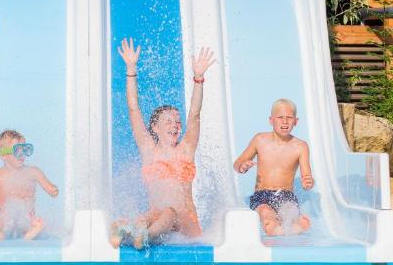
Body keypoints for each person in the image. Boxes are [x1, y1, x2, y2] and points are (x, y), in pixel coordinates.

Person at [112, 38, 215, 249]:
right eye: (168, 121)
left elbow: (194, 114)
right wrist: (131, 69)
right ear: (155, 128)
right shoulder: (148, 149)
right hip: (158, 217)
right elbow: (133, 108)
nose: (175, 125)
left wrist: (198, 78)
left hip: (186, 225)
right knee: (150, 214)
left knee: (168, 211)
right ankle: (131, 230)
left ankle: (143, 236)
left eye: (177, 121)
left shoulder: (186, 149)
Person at [233, 98, 314, 236]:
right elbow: (237, 164)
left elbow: (307, 176)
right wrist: (243, 167)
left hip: (286, 195)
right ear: (271, 120)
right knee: (266, 214)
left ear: (296, 121)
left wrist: (308, 183)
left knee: (290, 212)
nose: (285, 121)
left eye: (289, 118)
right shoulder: (260, 140)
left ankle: (293, 225)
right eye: (280, 117)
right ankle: (282, 227)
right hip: (262, 195)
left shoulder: (300, 146)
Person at [0, 129, 59, 240]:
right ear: (3, 155)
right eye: (17, 150)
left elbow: (50, 189)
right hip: (6, 221)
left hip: (27, 221)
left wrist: (53, 190)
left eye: (25, 149)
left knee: (39, 223)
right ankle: (0, 232)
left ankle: (30, 233)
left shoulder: (33, 172)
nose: (22, 154)